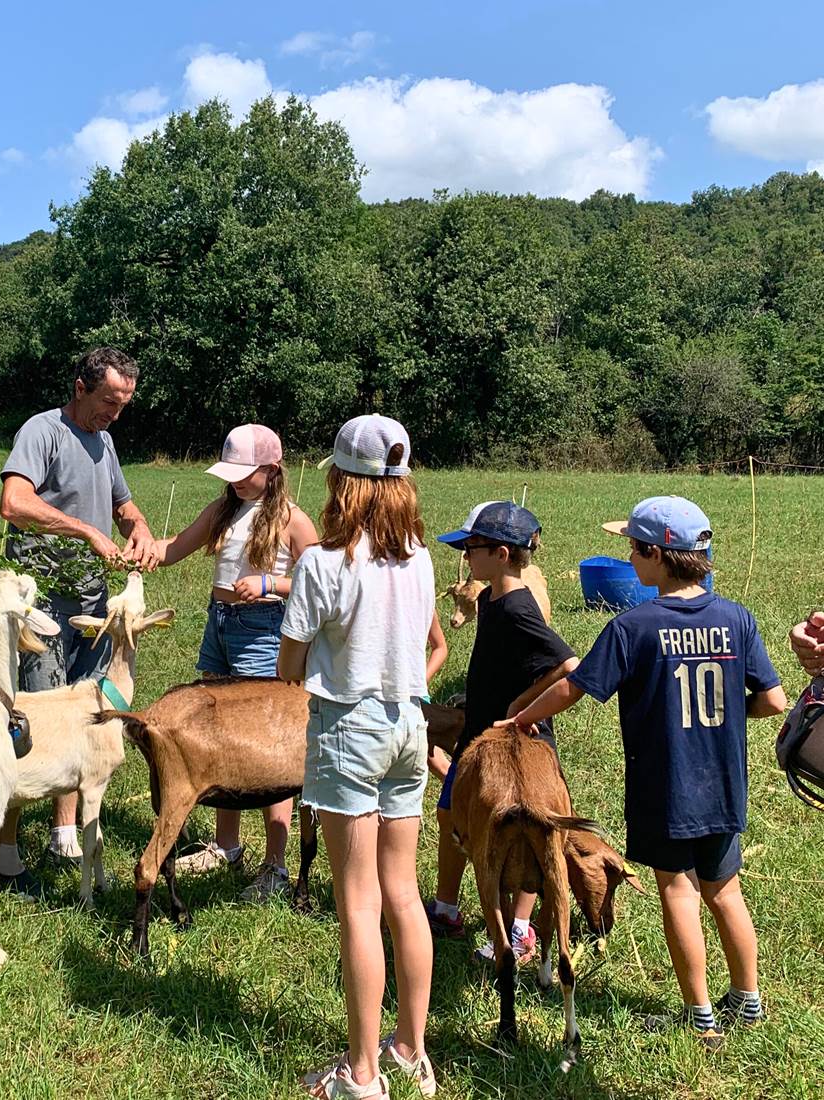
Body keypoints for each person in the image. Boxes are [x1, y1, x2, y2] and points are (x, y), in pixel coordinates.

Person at [502, 496, 787, 1049]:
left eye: (632, 548)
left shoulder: (633, 626)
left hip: (667, 788)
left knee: (677, 892)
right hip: (724, 786)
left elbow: (573, 686)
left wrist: (520, 716)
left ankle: (699, 1015)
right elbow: (774, 701)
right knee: (726, 891)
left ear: (657, 554)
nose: (628, 558)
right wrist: (730, 707)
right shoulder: (737, 618)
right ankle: (747, 1002)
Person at [280, 415, 437, 1100]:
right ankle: (410, 1048)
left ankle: (363, 1074)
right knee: (403, 892)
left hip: (351, 727)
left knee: (357, 902)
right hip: (411, 725)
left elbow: (290, 660)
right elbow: (428, 641)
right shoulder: (423, 557)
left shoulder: (323, 563)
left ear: (342, 483)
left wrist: (312, 658)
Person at [0, 346, 161, 897]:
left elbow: (123, 503)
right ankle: (5, 857)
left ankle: (64, 834)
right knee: (33, 719)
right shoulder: (42, 432)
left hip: (92, 603)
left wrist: (134, 524)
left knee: (85, 712)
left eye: (123, 404)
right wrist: (86, 531)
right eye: (108, 402)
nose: (114, 413)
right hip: (42, 604)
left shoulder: (104, 440)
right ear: (80, 387)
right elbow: (14, 502)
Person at [154, 424, 319, 900]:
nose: (236, 482)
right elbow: (175, 548)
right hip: (221, 625)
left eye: (245, 474)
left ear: (272, 469)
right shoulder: (225, 510)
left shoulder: (293, 519)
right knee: (222, 738)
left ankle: (275, 863)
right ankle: (226, 845)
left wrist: (270, 585)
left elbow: (319, 580)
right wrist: (139, 550)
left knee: (266, 745)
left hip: (263, 630)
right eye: (231, 475)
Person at [424, 501, 579, 968]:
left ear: (503, 553)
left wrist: (519, 709)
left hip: (518, 746)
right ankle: (447, 910)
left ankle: (520, 929)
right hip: (478, 738)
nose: (466, 557)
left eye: (473, 548)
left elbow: (567, 665)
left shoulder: (516, 605)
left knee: (529, 836)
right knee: (449, 816)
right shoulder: (492, 597)